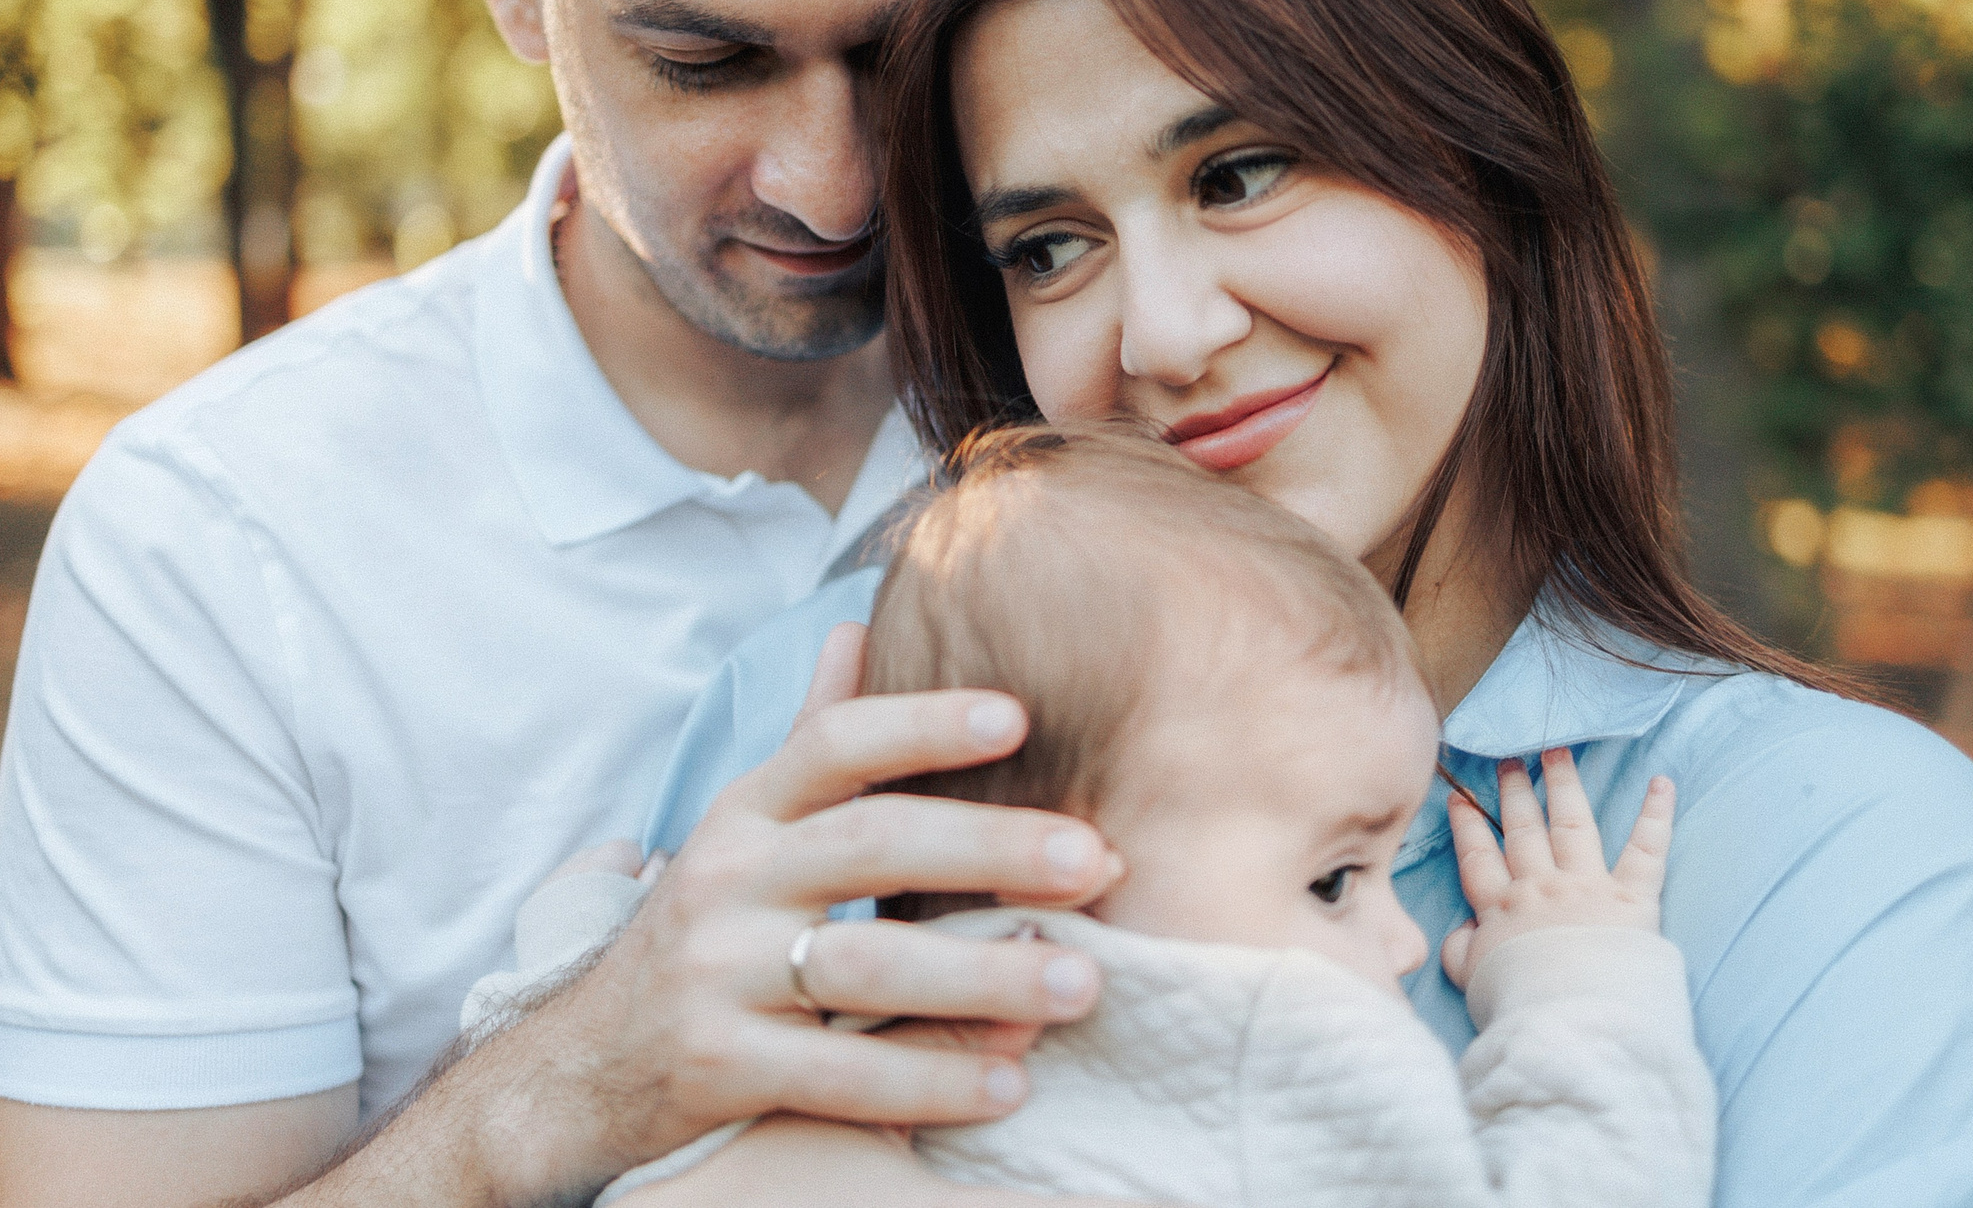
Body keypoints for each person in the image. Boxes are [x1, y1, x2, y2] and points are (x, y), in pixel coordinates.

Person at [600, 0, 1973, 1205]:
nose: (1168, 332)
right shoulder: (835, 722)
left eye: (1242, 171)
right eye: (1050, 247)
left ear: (1485, 157)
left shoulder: (1836, 851)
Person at [0, 0, 1131, 1204]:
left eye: (897, 48)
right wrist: (581, 1076)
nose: (828, 181)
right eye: (705, 61)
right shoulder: (218, 543)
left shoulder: (1145, 385)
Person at [474, 422, 1715, 1208]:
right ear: (1042, 874)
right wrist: (1580, 985)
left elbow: (628, 1100)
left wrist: (590, 937)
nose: (1401, 942)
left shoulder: (803, 1032)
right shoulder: (1260, 1050)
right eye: (1337, 880)